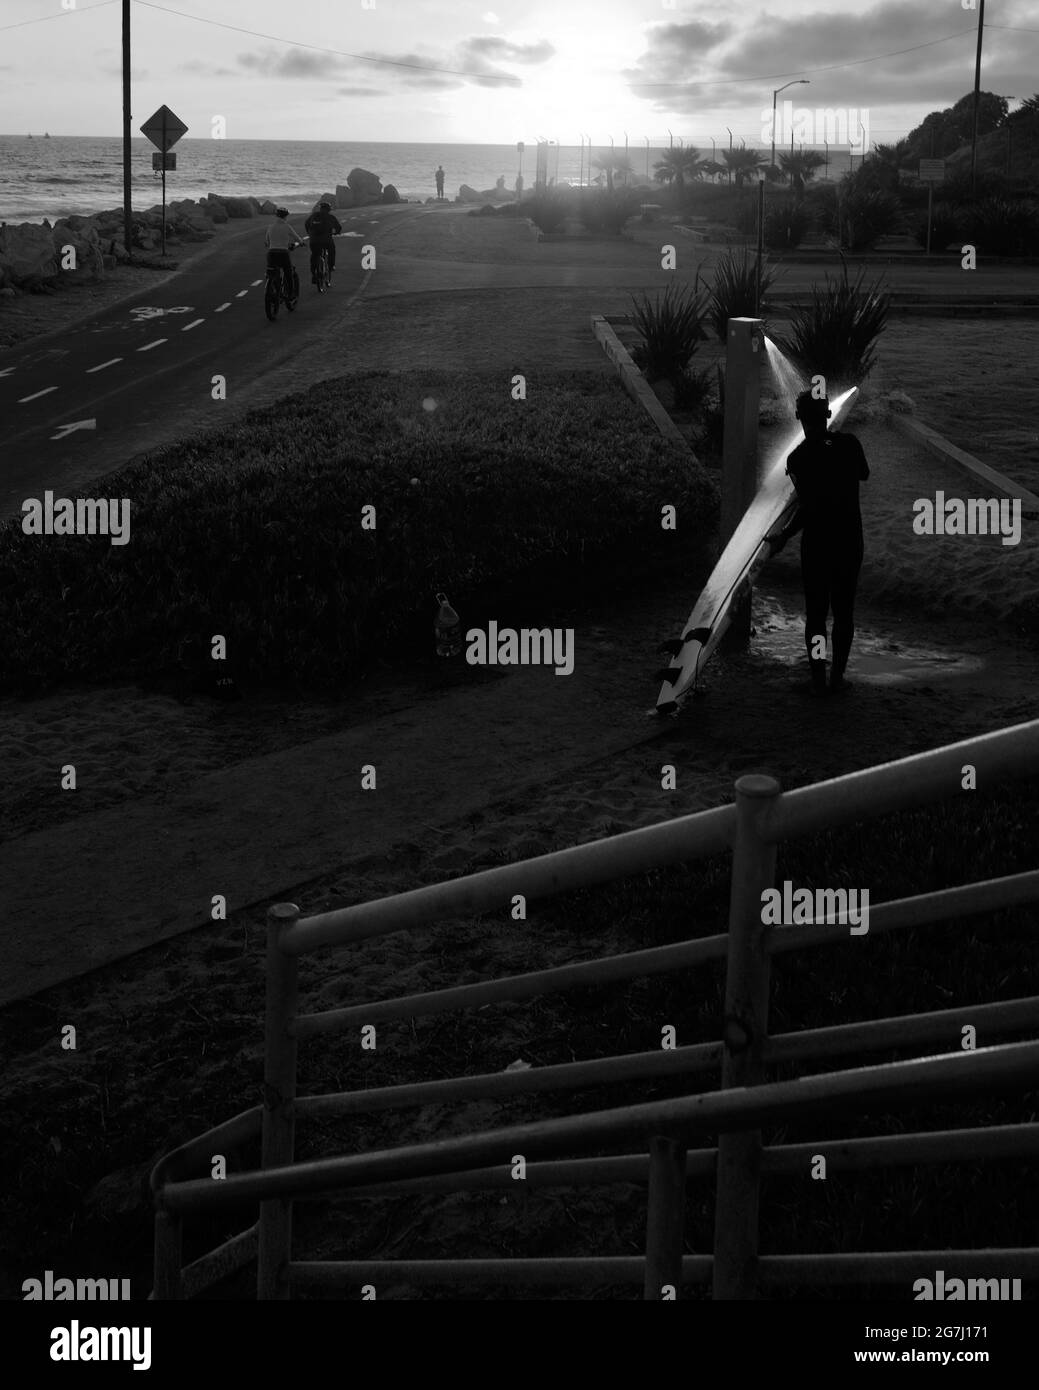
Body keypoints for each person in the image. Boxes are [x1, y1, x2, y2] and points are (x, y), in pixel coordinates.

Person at [768, 390, 870, 695]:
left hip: (817, 544)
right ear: (828, 415)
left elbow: (807, 507)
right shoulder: (849, 444)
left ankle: (817, 678)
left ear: (799, 417)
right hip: (850, 539)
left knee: (815, 616)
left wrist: (784, 535)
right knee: (844, 612)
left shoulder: (797, 458)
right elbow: (864, 474)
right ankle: (838, 677)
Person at [264, 207, 303, 300]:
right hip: (283, 254)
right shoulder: (287, 226)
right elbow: (297, 238)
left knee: (272, 272)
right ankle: (290, 294)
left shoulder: (270, 227)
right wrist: (301, 243)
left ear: (276, 216)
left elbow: (267, 242)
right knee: (288, 273)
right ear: (285, 216)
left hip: (271, 254)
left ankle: (273, 287)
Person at [305, 200, 343, 284]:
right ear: (329, 209)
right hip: (326, 240)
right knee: (332, 250)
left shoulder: (313, 216)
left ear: (320, 209)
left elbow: (306, 224)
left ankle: (314, 274)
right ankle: (331, 265)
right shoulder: (331, 217)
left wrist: (309, 233)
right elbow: (338, 227)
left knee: (314, 255)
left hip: (314, 240)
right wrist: (337, 232)